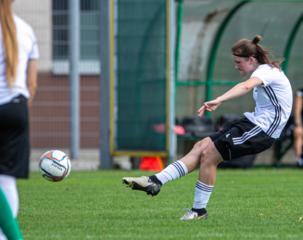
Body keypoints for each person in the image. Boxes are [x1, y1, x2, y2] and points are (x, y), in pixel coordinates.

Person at [122, 35, 293, 219]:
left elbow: (245, 87)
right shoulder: (264, 71)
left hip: (262, 131)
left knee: (209, 155)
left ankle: (198, 211)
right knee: (201, 146)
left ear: (251, 60)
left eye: (238, 62)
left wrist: (219, 100)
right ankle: (154, 180)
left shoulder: (267, 71)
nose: (236, 66)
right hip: (251, 123)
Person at [0, 0, 39, 238]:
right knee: (6, 178)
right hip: (15, 109)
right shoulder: (26, 29)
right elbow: (32, 84)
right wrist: (14, 109)